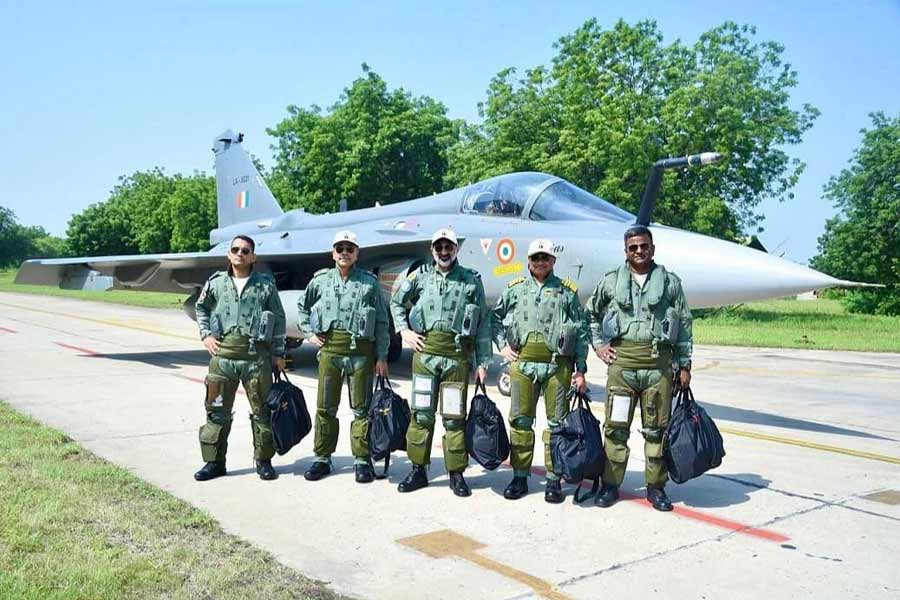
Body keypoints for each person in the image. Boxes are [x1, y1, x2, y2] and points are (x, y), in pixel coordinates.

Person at [585, 225, 693, 511]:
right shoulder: (611, 281)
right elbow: (591, 314)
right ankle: (610, 485)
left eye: (644, 246)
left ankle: (656, 487)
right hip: (622, 366)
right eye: (633, 247)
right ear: (626, 251)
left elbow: (684, 324)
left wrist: (684, 364)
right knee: (616, 428)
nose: (639, 251)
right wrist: (599, 346)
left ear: (652, 248)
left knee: (656, 430)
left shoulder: (669, 283)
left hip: (658, 367)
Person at [390, 228, 492, 497]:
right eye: (439, 248)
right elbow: (396, 302)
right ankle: (418, 470)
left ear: (456, 249)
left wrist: (483, 362)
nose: (444, 252)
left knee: (454, 418)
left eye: (449, 247)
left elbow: (483, 323)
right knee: (422, 415)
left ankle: (456, 473)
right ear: (432, 250)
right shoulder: (420, 277)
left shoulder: (471, 281)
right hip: (425, 355)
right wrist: (404, 331)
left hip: (456, 357)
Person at [492, 239, 589, 503]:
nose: (540, 262)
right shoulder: (515, 289)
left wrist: (580, 370)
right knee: (520, 422)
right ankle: (519, 476)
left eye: (545, 258)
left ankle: (554, 480)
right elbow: (495, 317)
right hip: (523, 365)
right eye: (536, 258)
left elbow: (581, 332)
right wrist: (502, 346)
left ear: (553, 261)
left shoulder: (566, 292)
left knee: (557, 425)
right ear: (529, 261)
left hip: (557, 366)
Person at [298, 230, 390, 483]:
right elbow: (302, 307)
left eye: (350, 249)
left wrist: (382, 356)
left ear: (357, 254)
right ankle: (322, 458)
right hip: (330, 352)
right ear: (333, 253)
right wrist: (309, 333)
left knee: (362, 409)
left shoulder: (369, 283)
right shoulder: (320, 281)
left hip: (361, 354)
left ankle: (362, 460)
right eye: (340, 248)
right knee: (325, 408)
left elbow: (382, 322)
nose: (345, 253)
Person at [194, 235, 287, 481]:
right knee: (216, 412)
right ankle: (214, 462)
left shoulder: (265, 286)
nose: (240, 254)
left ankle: (263, 461)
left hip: (256, 358)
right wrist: (206, 335)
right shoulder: (216, 283)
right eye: (235, 249)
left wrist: (279, 353)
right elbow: (201, 307)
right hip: (223, 357)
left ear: (253, 256)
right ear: (229, 254)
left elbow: (278, 319)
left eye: (245, 251)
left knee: (262, 413)